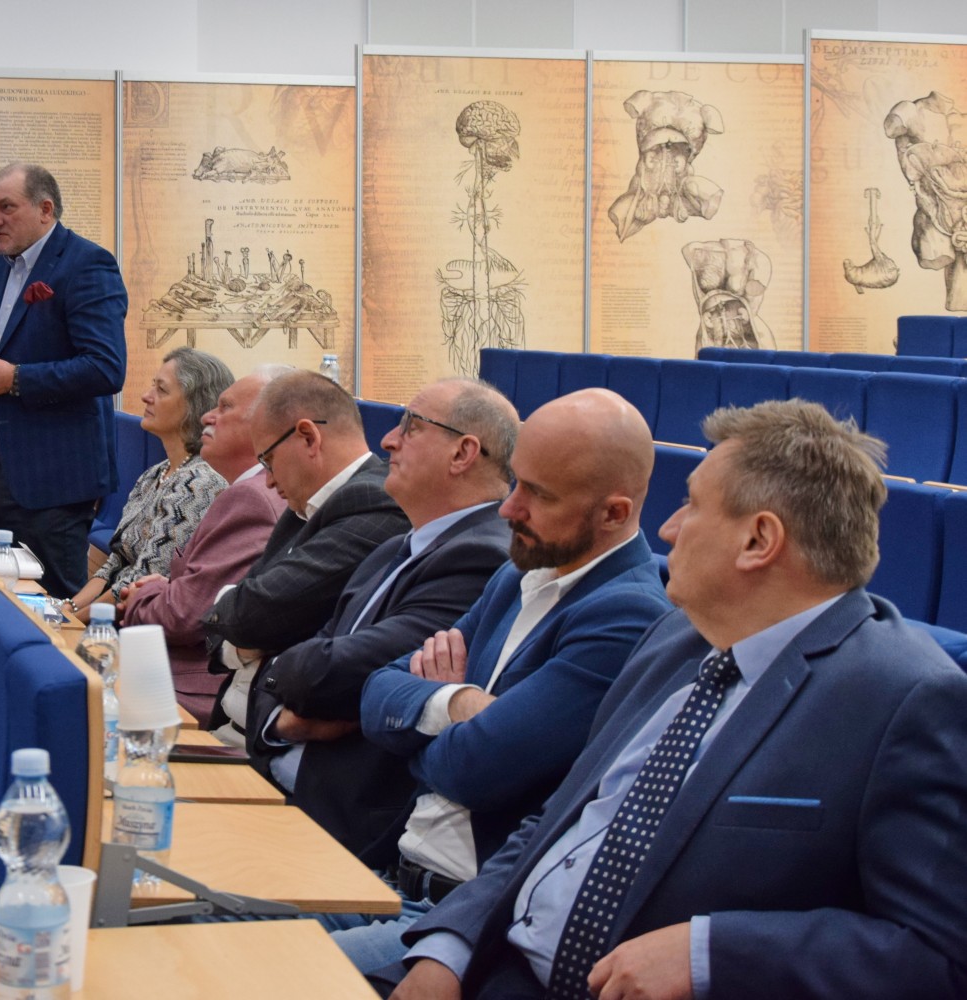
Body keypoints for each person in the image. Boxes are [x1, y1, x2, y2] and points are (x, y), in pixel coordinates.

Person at [383, 399, 967, 1000]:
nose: (667, 528)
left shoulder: (907, 697)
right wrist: (450, 948)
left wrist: (713, 954)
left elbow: (940, 957)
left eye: (691, 504)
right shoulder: (674, 639)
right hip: (496, 966)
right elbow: (557, 822)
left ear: (758, 539)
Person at [318, 388, 670, 972]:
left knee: (253, 972)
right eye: (516, 482)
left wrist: (423, 724)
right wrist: (458, 703)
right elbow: (377, 694)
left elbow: (474, 770)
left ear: (614, 514)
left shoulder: (624, 614)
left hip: (463, 918)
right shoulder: (517, 574)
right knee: (203, 919)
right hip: (386, 877)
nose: (509, 509)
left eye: (539, 494)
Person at [244, 377, 519, 862]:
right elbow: (305, 660)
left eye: (411, 426)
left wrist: (281, 670)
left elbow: (330, 674)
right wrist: (282, 720)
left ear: (462, 453)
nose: (388, 440)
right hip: (280, 785)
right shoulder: (394, 547)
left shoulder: (480, 558)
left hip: (347, 836)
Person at [0, 162, 128, 598]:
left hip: (53, 482)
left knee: (53, 608)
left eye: (6, 207)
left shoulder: (87, 264)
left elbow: (106, 367)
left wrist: (14, 379)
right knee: (7, 600)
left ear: (45, 210)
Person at [202, 370, 411, 745]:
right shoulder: (305, 506)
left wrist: (239, 628)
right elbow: (234, 615)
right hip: (232, 729)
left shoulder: (374, 502)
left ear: (308, 437)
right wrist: (241, 630)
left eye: (268, 460)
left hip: (267, 748)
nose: (268, 480)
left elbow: (251, 614)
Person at [120, 365, 291, 724]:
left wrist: (140, 597)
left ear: (265, 427)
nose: (207, 417)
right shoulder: (249, 490)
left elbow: (185, 616)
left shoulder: (251, 498)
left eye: (225, 408)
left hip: (192, 688)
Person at [60, 347, 233, 621]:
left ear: (194, 405)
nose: (146, 396)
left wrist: (70, 621)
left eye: (161, 390)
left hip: (141, 624)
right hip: (112, 615)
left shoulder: (199, 484)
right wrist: (67, 607)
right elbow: (115, 561)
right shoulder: (155, 473)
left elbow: (141, 580)